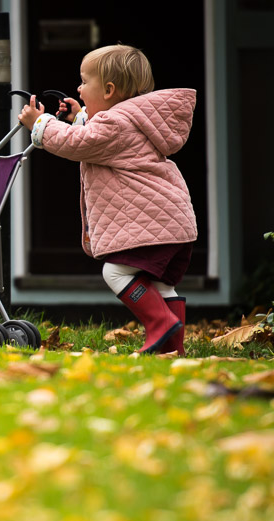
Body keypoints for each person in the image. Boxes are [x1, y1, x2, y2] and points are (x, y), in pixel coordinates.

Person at [17, 44, 197, 354]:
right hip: (174, 225)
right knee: (162, 285)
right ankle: (172, 349)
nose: (79, 87)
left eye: (85, 81)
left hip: (153, 224)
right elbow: (97, 139)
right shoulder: (136, 120)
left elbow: (79, 143)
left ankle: (159, 325)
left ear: (110, 90)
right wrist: (80, 116)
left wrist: (41, 124)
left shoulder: (115, 124)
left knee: (114, 272)